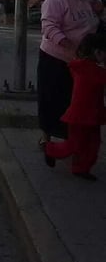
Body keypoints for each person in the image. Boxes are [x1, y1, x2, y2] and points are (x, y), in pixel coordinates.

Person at [38, 0, 101, 145]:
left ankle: (71, 137)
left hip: (83, 62)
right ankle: (46, 136)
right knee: (52, 98)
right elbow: (49, 27)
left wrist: (101, 10)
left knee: (76, 101)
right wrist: (67, 44)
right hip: (56, 58)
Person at [43, 33, 106, 181]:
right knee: (75, 145)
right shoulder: (89, 69)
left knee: (92, 144)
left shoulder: (83, 66)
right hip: (81, 115)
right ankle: (50, 149)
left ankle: (81, 168)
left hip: (92, 113)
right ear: (97, 52)